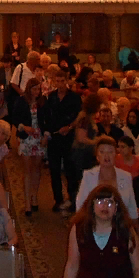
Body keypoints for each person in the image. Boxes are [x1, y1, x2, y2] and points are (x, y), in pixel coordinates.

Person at [63, 184, 139, 278]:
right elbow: (72, 266)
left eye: (110, 202)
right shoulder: (79, 228)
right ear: (92, 206)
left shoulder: (126, 230)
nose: (105, 206)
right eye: (100, 201)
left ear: (116, 209)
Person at [40, 70, 82, 211]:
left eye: (62, 81)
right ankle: (58, 199)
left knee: (70, 169)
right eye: (57, 81)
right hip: (54, 137)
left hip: (69, 138)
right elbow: (47, 117)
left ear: (67, 81)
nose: (60, 84)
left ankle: (72, 199)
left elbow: (79, 116)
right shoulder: (51, 97)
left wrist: (69, 127)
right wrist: (46, 133)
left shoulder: (75, 98)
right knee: (54, 170)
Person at [76, 135, 139, 220]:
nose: (106, 155)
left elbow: (132, 209)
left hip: (119, 224)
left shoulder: (126, 176)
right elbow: (80, 205)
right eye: (102, 152)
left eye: (110, 152)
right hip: (94, 223)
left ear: (116, 155)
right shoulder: (88, 175)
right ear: (97, 156)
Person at [11, 78, 46, 214]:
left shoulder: (43, 101)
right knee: (27, 170)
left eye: (38, 89)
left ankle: (34, 196)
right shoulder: (21, 101)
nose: (37, 92)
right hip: (26, 138)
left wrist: (45, 135)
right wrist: (23, 127)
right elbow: (14, 118)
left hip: (39, 137)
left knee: (37, 168)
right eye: (34, 89)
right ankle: (26, 202)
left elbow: (46, 120)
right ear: (29, 89)